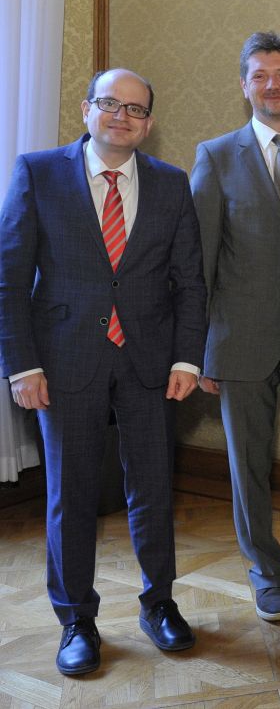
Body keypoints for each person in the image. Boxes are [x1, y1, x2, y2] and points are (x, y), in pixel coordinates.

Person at [0, 68, 207, 675]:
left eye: (137, 110)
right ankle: (76, 619)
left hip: (149, 361)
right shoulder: (38, 173)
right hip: (62, 361)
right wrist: (22, 365)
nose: (123, 116)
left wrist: (187, 356)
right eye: (111, 104)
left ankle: (159, 603)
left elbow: (190, 282)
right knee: (71, 492)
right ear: (88, 110)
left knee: (154, 488)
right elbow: (9, 281)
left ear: (149, 123)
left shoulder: (172, 184)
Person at [190, 31, 280, 622]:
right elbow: (200, 263)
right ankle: (266, 572)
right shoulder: (216, 156)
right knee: (249, 466)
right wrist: (200, 352)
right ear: (245, 86)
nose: (273, 85)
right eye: (261, 75)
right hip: (239, 343)